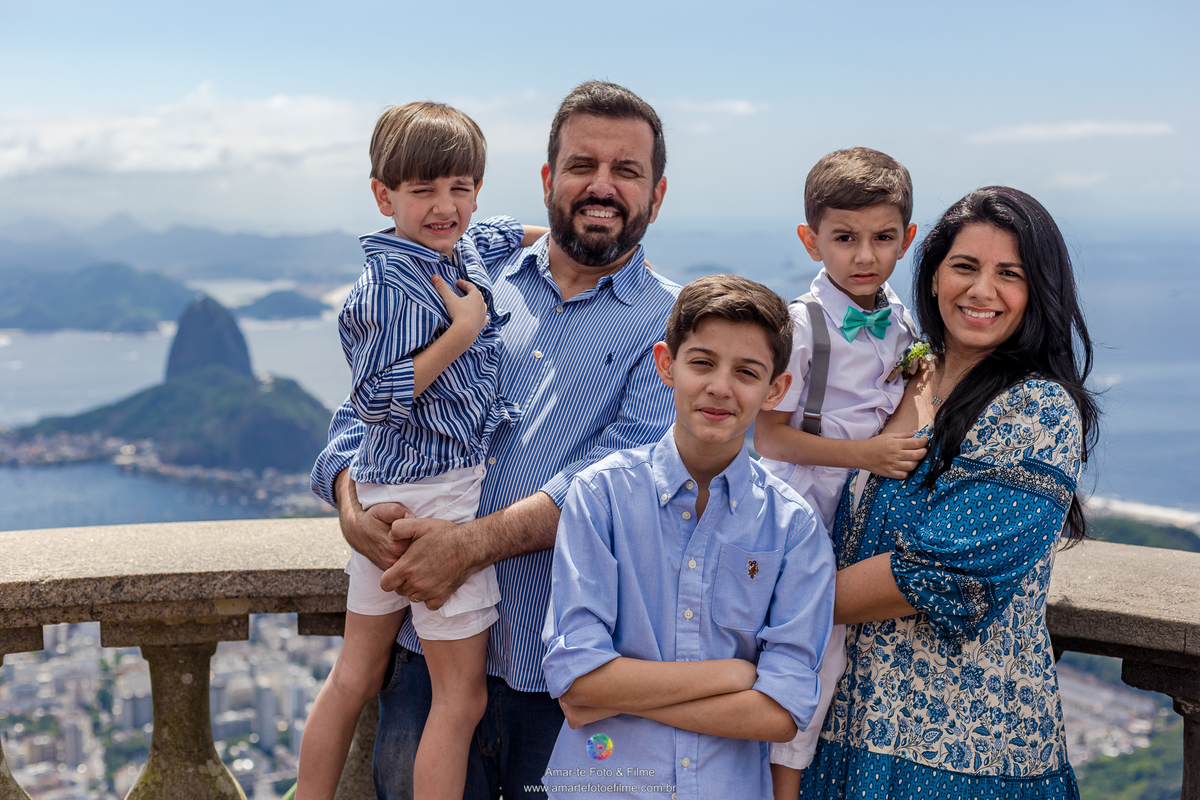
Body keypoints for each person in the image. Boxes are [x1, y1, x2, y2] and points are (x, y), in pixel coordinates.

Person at [309, 81, 680, 799]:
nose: (601, 186)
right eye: (582, 166)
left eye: (625, 171)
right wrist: (351, 504)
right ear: (548, 180)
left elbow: (618, 478)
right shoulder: (463, 271)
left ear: (656, 195)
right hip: (426, 662)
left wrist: (468, 545)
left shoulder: (672, 325)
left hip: (562, 680)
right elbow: (366, 406)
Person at [795, 187, 1098, 799]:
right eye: (965, 266)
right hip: (840, 742)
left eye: (1008, 274)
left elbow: (935, 574)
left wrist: (751, 595)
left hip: (964, 757)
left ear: (1038, 291)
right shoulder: (901, 371)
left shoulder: (1036, 409)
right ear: (932, 276)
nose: (981, 291)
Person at [297, 101, 547, 800]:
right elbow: (374, 399)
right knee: (459, 700)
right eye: (424, 190)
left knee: (355, 674)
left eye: (461, 187)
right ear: (384, 195)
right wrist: (462, 333)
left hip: (387, 491)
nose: (446, 206)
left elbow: (506, 235)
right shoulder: (389, 287)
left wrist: (558, 239)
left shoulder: (457, 247)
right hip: (437, 495)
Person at [541, 275, 836, 799]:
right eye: (702, 363)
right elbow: (578, 677)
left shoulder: (794, 529)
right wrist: (735, 673)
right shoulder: (600, 496)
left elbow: (783, 710)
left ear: (776, 390)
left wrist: (618, 691)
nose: (721, 387)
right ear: (666, 365)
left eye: (747, 372)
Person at [751, 147, 926, 794]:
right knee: (805, 659)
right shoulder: (800, 326)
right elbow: (769, 436)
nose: (865, 256)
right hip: (796, 508)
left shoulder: (901, 321)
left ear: (907, 239)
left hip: (856, 515)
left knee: (828, 663)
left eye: (883, 238)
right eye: (844, 239)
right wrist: (867, 456)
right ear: (810, 241)